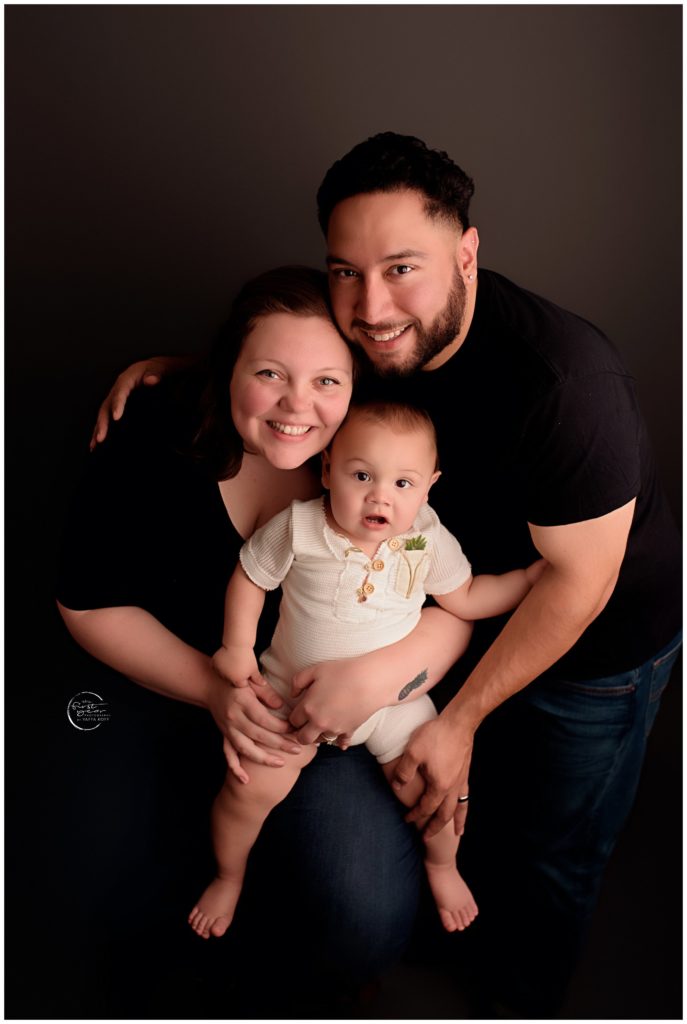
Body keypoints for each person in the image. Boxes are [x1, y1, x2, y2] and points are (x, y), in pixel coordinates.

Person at [95, 133, 682, 1016]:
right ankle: (434, 947)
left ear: (467, 253)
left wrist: (459, 720)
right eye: (345, 271)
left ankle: (527, 1000)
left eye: (401, 267)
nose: (368, 306)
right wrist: (194, 378)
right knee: (455, 816)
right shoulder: (376, 336)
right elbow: (296, 374)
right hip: (439, 606)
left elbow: (574, 587)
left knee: (549, 853)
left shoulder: (567, 385)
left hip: (594, 643)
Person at [57, 264, 476, 1015]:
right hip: (145, 685)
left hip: (319, 708)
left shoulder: (380, 460)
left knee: (364, 916)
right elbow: (85, 603)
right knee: (87, 897)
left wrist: (380, 679)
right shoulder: (156, 428)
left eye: (327, 382)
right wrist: (217, 689)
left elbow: (455, 603)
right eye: (270, 375)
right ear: (229, 370)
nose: (297, 407)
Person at [191, 399, 545, 941]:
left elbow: (468, 597)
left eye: (404, 484)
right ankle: (227, 874)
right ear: (328, 468)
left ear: (429, 487)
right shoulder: (302, 525)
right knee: (245, 789)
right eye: (362, 475)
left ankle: (442, 866)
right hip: (288, 698)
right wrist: (235, 649)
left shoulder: (423, 537)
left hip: (393, 704)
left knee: (436, 783)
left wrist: (526, 580)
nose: (381, 496)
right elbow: (250, 577)